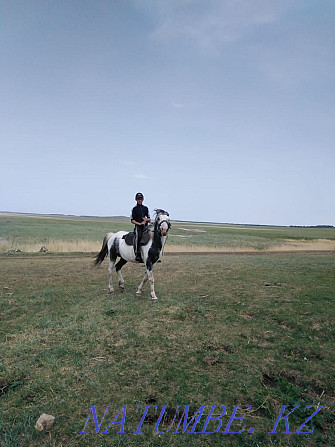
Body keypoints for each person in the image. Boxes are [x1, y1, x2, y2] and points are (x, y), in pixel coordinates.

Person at [131, 192, 151, 262]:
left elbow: (149, 218)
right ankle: (137, 254)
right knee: (137, 238)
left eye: (141, 199)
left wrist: (146, 220)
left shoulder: (145, 208)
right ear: (136, 200)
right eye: (138, 199)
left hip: (145, 227)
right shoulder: (134, 209)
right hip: (138, 227)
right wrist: (139, 223)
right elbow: (132, 220)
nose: (140, 200)